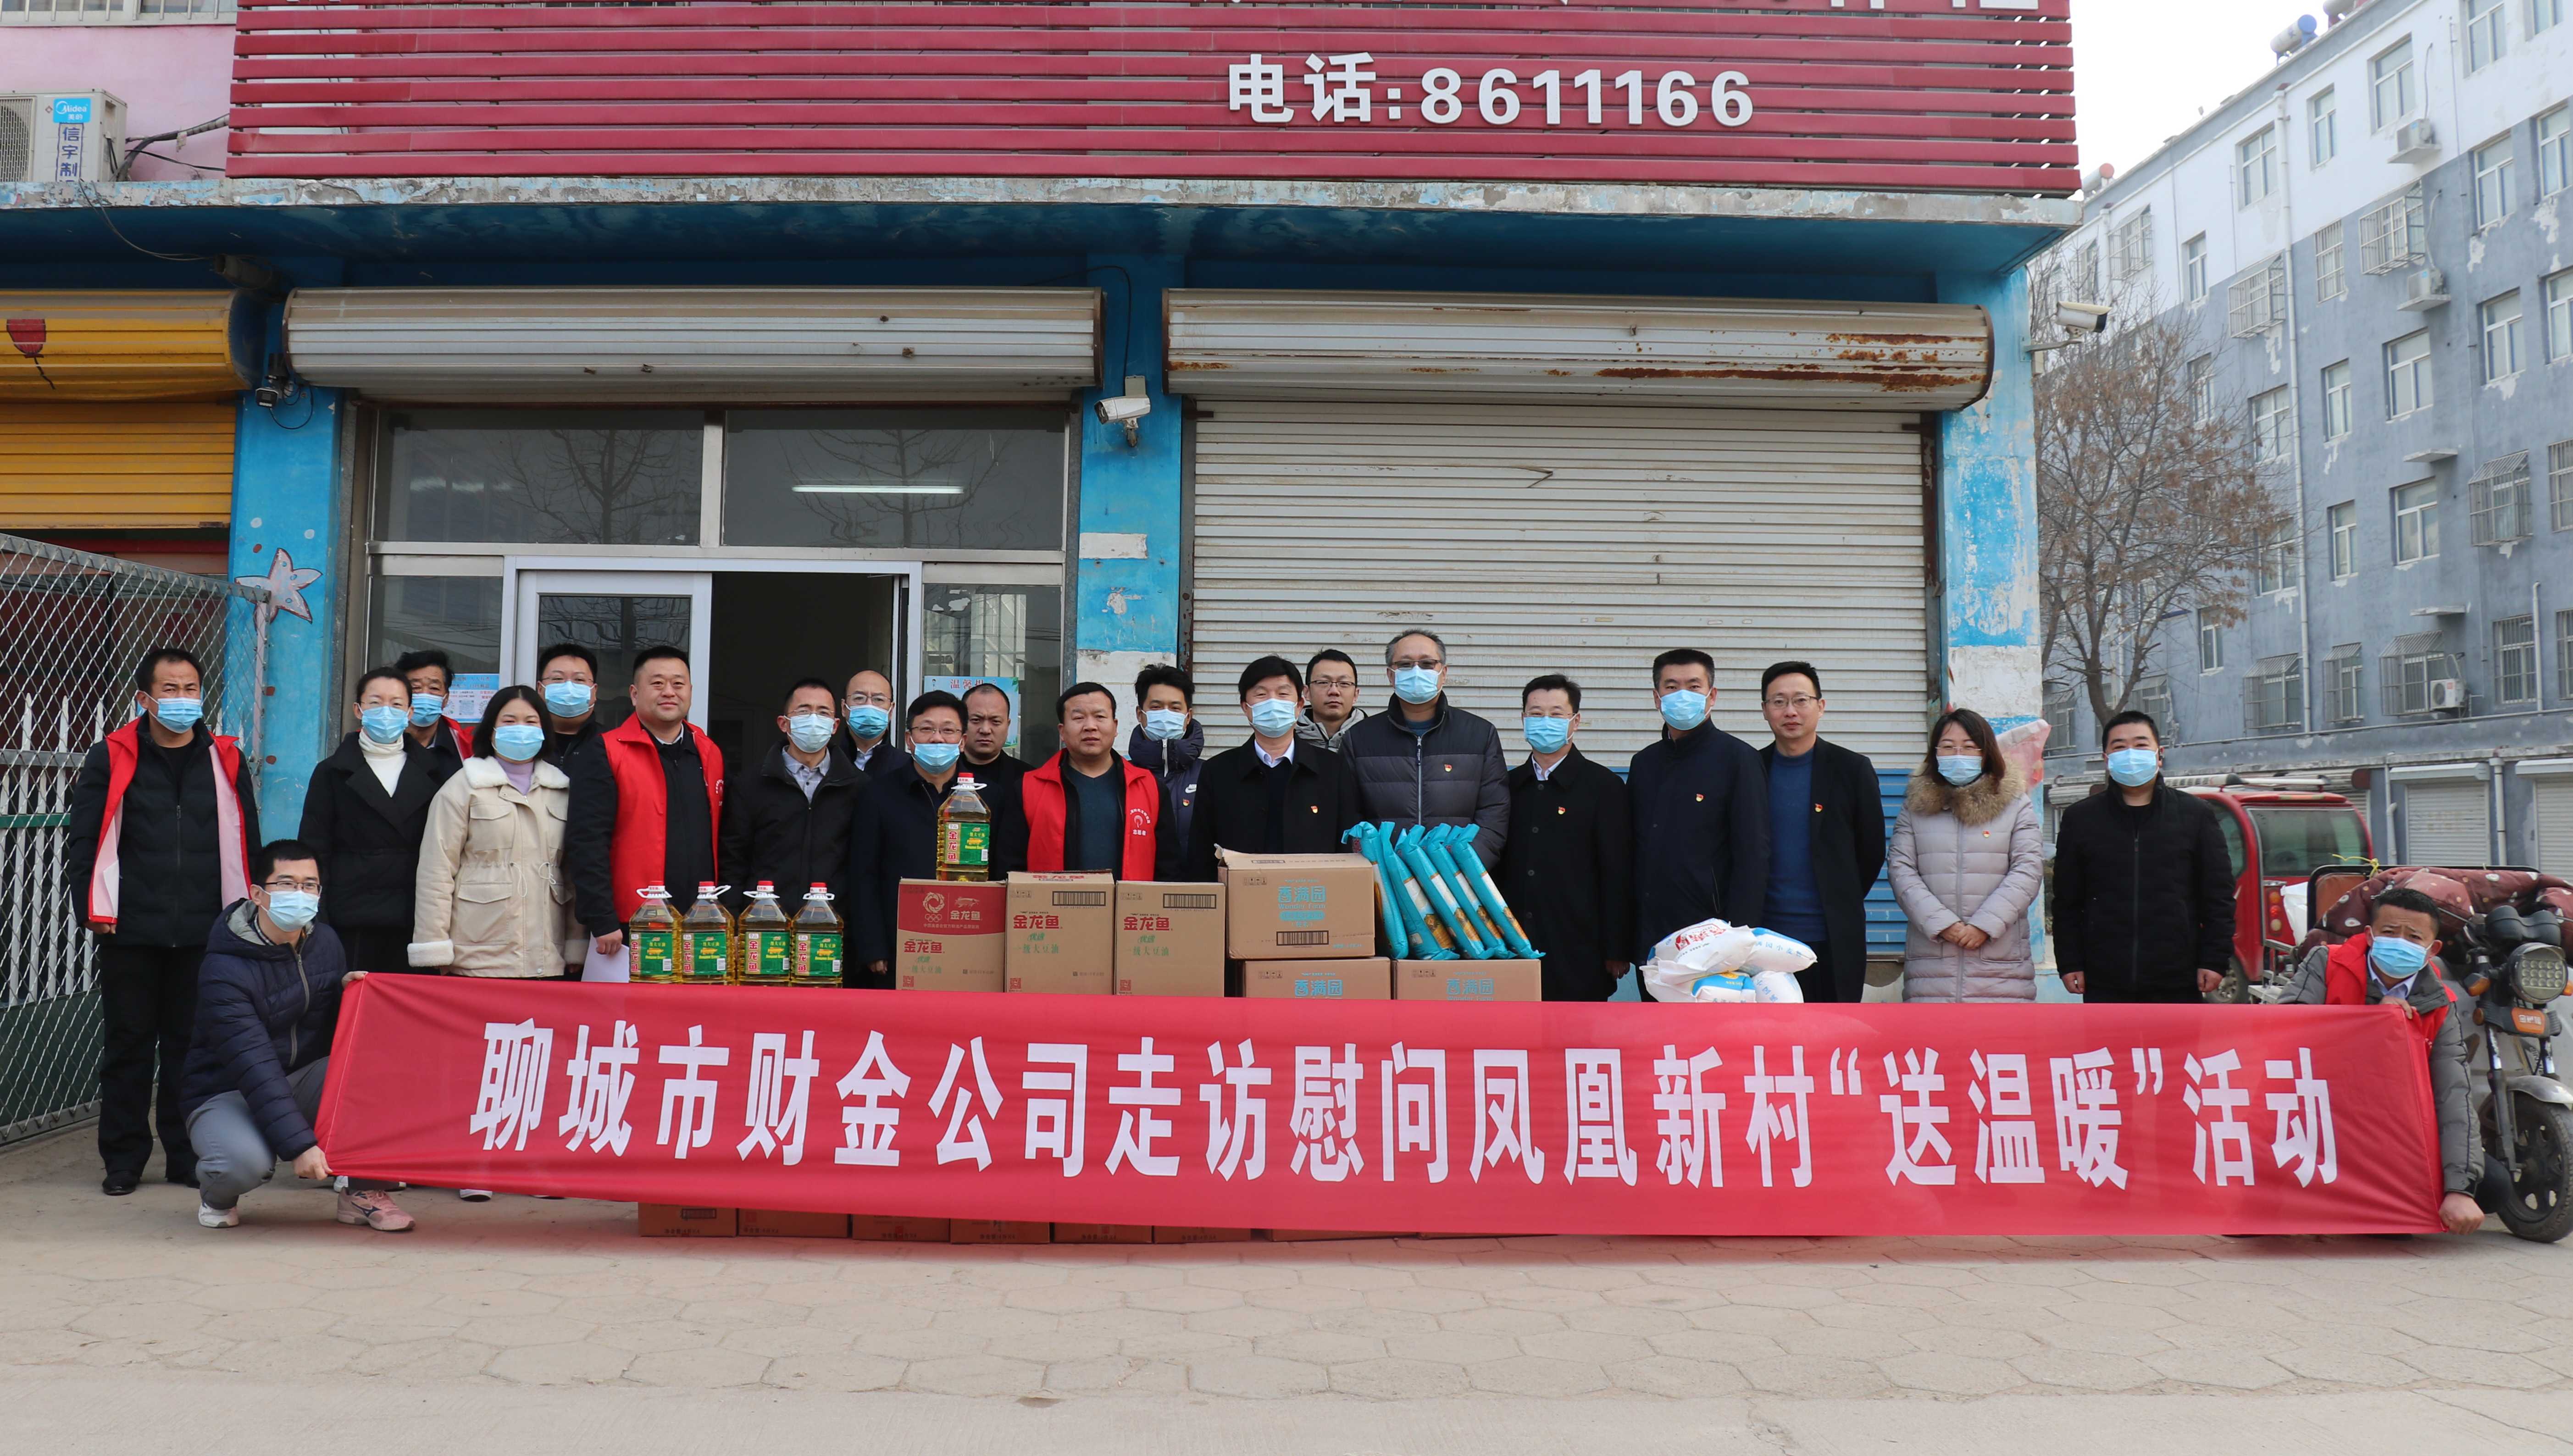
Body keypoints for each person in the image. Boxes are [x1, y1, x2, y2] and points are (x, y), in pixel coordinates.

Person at [65, 647, 261, 1197]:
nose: (182, 699)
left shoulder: (224, 757)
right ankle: (124, 1159)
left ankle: (185, 1155)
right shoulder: (112, 755)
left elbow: (248, 840)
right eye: (170, 689)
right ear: (144, 698)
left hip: (205, 931)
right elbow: (85, 837)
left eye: (191, 688)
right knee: (128, 1046)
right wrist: (91, 908)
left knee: (190, 1048)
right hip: (130, 929)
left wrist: (248, 915)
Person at [183, 839, 413, 1232]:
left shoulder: (325, 942)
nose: (300, 894)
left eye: (310, 885)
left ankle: (362, 1191)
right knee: (242, 1165)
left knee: (380, 1069)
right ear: (258, 894)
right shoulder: (224, 969)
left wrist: (347, 995)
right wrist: (301, 1146)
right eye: (287, 884)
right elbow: (254, 1065)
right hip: (227, 1091)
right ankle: (217, 1194)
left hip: (300, 1078)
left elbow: (331, 1029)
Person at [2275, 887, 2485, 1235]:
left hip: (2390, 1128)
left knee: (2490, 1188)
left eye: (2414, 937)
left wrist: (2459, 1189)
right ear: (2370, 935)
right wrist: (2370, 1022)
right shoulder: (2327, 962)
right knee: (2254, 1219)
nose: (2400, 943)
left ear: (2432, 949)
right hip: (2321, 1116)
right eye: (2389, 932)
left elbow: (2453, 1092)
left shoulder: (2440, 1003)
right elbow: (2285, 1033)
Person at [2049, 709, 2235, 1003]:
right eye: (2120, 747)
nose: (2131, 754)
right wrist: (2070, 961)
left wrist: (2214, 959)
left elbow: (2218, 896)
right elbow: (2067, 901)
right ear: (2106, 759)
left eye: (2140, 745)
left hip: (2178, 977)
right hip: (2103, 978)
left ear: (2159, 754)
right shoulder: (2081, 819)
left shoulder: (2195, 815)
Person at [565, 645, 725, 963]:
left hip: (701, 923)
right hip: (630, 924)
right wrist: (602, 918)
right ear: (635, 694)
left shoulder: (709, 752)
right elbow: (587, 841)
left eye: (678, 684)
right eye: (657, 683)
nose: (669, 692)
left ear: (690, 692)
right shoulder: (606, 751)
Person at [411, 685, 581, 980]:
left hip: (546, 955)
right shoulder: (463, 787)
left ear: (544, 731)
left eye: (531, 722)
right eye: (509, 721)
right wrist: (434, 945)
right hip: (476, 955)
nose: (521, 730)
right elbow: (436, 871)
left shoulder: (561, 790)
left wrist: (575, 943)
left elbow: (571, 874)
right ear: (491, 731)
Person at [299, 666, 458, 977]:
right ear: (358, 710)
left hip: (416, 918)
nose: (386, 712)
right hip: (352, 918)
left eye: (396, 704)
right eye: (375, 702)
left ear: (409, 712)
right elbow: (315, 850)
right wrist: (319, 919)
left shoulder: (437, 772)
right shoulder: (331, 772)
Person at [1629, 648, 1767, 997]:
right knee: (1654, 1030)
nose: (1682, 696)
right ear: (1657, 698)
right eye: (1671, 687)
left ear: (1712, 695)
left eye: (1693, 686)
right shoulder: (1644, 764)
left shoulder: (1739, 759)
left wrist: (1738, 937)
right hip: (1653, 940)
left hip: (1711, 942)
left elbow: (1752, 854)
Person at [1886, 708, 2042, 1002]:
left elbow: (2028, 869)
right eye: (1947, 747)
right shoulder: (1915, 808)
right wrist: (1943, 924)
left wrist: (1985, 925)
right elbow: (1901, 869)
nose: (1958, 755)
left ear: (1986, 753)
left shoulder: (2016, 806)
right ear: (1935, 753)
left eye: (1969, 747)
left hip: (2001, 967)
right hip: (1932, 968)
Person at [1754, 662, 1885, 1003]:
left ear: (1821, 706)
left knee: (1834, 1030)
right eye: (1779, 702)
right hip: (1764, 941)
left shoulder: (1852, 769)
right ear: (1765, 710)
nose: (1791, 711)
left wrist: (1840, 896)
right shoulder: (1751, 769)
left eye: (1801, 700)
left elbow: (1871, 850)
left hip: (1832, 937)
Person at [1498, 675, 1632, 1002]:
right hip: (1512, 946)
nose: (1546, 722)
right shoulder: (1506, 786)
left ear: (1576, 721)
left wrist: (1617, 948)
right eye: (1536, 714)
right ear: (1523, 720)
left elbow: (1617, 871)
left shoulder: (1604, 787)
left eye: (1557, 714)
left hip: (1580, 947)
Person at [1184, 656, 1365, 882]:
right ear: (1246, 708)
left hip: (1312, 897)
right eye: (1261, 695)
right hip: (1239, 897)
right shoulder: (1217, 771)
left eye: (1283, 694)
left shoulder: (1333, 768)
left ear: (1299, 705)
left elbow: (1347, 848)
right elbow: (1201, 853)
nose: (1272, 702)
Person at [1338, 628, 1508, 867]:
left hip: (1458, 878)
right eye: (1405, 665)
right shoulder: (1359, 738)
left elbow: (1494, 813)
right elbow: (1347, 816)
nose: (1417, 672)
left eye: (1428, 664)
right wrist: (1376, 869)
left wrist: (1462, 867)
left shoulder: (1480, 734)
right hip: (1384, 878)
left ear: (1443, 673)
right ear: (1390, 675)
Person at [847, 691, 972, 986]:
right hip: (898, 943)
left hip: (970, 941)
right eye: (926, 729)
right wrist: (873, 945)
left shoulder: (986, 797)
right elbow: (863, 874)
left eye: (948, 730)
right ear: (909, 739)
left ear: (963, 741)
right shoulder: (878, 795)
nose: (937, 739)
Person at [719, 677, 866, 915]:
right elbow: (733, 863)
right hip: (765, 923)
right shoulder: (750, 785)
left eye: (823, 713)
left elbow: (864, 867)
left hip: (831, 923)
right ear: (784, 723)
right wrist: (734, 921)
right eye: (804, 711)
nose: (814, 719)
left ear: (835, 726)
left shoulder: (857, 787)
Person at [1018, 683, 1178, 879]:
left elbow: (1168, 868)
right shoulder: (1028, 788)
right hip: (1051, 899)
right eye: (1078, 718)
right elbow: (1012, 868)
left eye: (1100, 717)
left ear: (1115, 726)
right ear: (1062, 731)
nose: (1090, 726)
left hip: (1131, 900)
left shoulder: (1149, 787)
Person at [1129, 664, 1204, 857]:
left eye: (1175, 708)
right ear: (1140, 714)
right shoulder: (1122, 777)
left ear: (1188, 717)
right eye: (1156, 707)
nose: (1166, 714)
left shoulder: (1211, 775)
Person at [959, 681, 1031, 874]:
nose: (985, 729)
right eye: (976, 720)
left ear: (1008, 725)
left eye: (995, 721)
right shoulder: (943, 775)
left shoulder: (1028, 780)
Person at [394, 648, 470, 771]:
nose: (425, 694)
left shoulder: (465, 747)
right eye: (416, 687)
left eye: (434, 688)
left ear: (446, 699)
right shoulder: (377, 740)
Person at [535, 641, 604, 767]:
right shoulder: (525, 741)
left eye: (579, 679)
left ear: (594, 691)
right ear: (540, 689)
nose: (569, 688)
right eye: (558, 679)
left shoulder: (611, 744)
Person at [1296, 648, 1368, 753]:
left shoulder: (1375, 737)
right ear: (1307, 692)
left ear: (1355, 695)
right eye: (1323, 682)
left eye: (1344, 683)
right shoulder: (1287, 740)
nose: (1334, 691)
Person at [839, 668, 904, 775]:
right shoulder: (827, 764)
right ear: (844, 708)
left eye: (879, 699)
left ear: (891, 710)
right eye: (859, 698)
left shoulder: (908, 767)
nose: (869, 706)